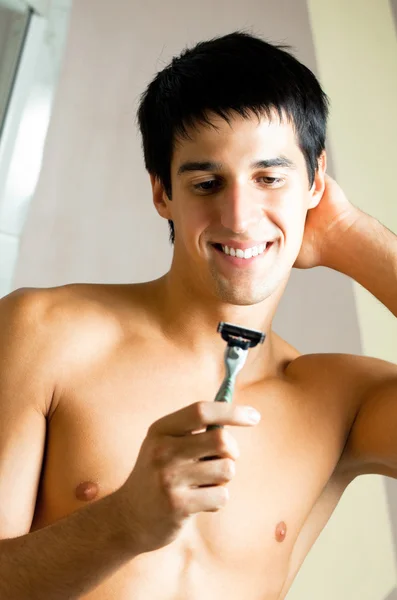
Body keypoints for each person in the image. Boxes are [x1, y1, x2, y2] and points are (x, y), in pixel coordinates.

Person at [0, 30, 396, 600]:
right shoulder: (43, 332)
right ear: (162, 193)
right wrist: (123, 524)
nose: (238, 217)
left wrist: (352, 238)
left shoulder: (342, 400)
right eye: (207, 183)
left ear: (316, 181)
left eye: (270, 178)